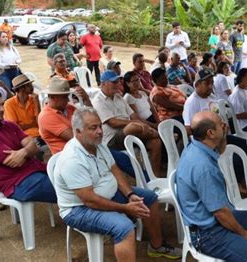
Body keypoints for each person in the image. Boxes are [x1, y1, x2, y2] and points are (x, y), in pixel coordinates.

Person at [53, 107, 181, 261]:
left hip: (107, 195)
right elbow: (90, 200)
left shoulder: (98, 145)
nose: (100, 131)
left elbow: (115, 171)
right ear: (78, 132)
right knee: (124, 227)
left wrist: (130, 194)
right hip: (79, 209)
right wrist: (125, 208)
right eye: (93, 128)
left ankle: (156, 246)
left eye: (100, 126)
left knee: (149, 197)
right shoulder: (72, 160)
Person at [176, 110, 247, 261]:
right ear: (210, 133)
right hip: (208, 234)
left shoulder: (196, 145)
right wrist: (244, 234)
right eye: (221, 124)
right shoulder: (203, 167)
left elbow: (221, 151)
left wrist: (223, 135)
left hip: (212, 221)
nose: (225, 124)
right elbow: (220, 213)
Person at [0, 89, 57, 204]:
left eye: (2, 104)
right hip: (18, 183)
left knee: (74, 176)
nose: (2, 109)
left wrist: (24, 152)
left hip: (35, 171)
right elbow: (16, 162)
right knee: (72, 189)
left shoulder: (9, 125)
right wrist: (27, 150)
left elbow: (34, 146)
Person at [91, 71, 163, 176]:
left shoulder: (119, 97)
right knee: (133, 126)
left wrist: (140, 124)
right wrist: (137, 123)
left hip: (131, 133)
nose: (117, 84)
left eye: (117, 82)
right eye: (113, 82)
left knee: (155, 142)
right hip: (112, 139)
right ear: (103, 84)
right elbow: (113, 122)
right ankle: (159, 133)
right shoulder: (98, 101)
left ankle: (154, 177)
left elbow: (134, 115)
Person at [38, 77, 91, 155]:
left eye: (67, 96)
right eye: (64, 97)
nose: (68, 100)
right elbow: (76, 138)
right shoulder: (46, 116)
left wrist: (86, 99)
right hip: (69, 157)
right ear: (52, 97)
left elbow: (91, 121)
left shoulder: (68, 108)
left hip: (83, 151)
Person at [4, 74, 43, 143]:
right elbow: (15, 128)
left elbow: (39, 122)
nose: (32, 87)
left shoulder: (33, 99)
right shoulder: (9, 104)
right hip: (23, 138)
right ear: (22, 88)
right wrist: (32, 124)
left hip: (39, 134)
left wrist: (37, 103)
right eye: (29, 85)